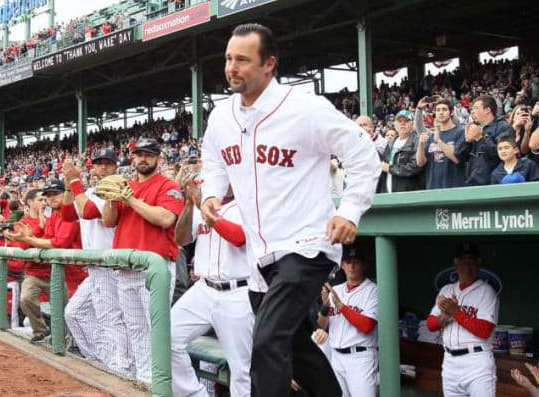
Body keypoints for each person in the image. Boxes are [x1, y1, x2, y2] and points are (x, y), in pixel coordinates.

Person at [200, 23, 380, 397]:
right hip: (259, 255)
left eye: (243, 60)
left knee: (265, 342)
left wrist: (350, 210)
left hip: (306, 245)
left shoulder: (304, 108)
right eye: (229, 59)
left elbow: (362, 152)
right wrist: (212, 194)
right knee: (297, 351)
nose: (232, 67)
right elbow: (213, 158)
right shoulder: (221, 116)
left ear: (269, 65)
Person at [100, 137, 183, 384]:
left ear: (158, 158)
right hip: (127, 269)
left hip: (154, 269)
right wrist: (111, 197)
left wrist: (131, 200)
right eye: (138, 154)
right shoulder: (126, 185)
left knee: (157, 332)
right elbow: (108, 221)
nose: (142, 159)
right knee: (136, 331)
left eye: (148, 154)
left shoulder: (168, 185)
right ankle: (146, 381)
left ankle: (169, 385)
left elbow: (166, 219)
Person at [171, 178, 254, 397]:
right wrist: (189, 205)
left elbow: (238, 238)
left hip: (237, 292)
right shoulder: (204, 205)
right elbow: (181, 238)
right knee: (166, 336)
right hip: (203, 290)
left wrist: (201, 206)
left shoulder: (249, 204)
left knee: (241, 369)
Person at [60, 150, 131, 376]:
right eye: (98, 163)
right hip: (95, 267)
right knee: (74, 313)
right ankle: (104, 361)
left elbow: (89, 212)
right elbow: (68, 214)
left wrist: (74, 181)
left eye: (108, 163)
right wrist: (68, 186)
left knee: (113, 319)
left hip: (112, 265)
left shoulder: (115, 188)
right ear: (91, 168)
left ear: (116, 167)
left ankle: (122, 369)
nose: (103, 167)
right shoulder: (88, 191)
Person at [9, 181, 84, 344]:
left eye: (55, 194)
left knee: (71, 314)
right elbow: (42, 242)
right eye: (46, 196)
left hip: (77, 274)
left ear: (65, 194)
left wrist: (31, 238)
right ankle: (56, 339)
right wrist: (32, 237)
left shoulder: (69, 213)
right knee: (63, 312)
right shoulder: (53, 217)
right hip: (56, 273)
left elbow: (58, 243)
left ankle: (70, 346)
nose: (49, 199)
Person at [426, 243, 499, 397]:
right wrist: (444, 317)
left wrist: (456, 313)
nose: (467, 265)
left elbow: (485, 331)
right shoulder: (446, 290)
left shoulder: (487, 292)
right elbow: (430, 325)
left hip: (477, 362)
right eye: (463, 261)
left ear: (479, 263)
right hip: (450, 362)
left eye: (471, 261)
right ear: (456, 263)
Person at [318, 246, 378, 397]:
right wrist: (325, 307)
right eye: (348, 262)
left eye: (356, 262)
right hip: (336, 357)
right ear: (342, 265)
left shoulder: (373, 290)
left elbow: (367, 326)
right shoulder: (335, 290)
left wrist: (340, 305)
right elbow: (322, 325)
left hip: (360, 357)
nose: (352, 266)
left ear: (363, 265)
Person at [456, 95, 515, 185]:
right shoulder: (473, 128)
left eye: (475, 108)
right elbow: (458, 157)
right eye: (471, 109)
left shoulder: (503, 127)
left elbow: (500, 154)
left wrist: (480, 139)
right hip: (472, 183)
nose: (472, 111)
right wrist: (467, 142)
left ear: (487, 110)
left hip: (495, 183)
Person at [416, 99, 466, 189]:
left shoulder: (461, 132)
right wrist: (420, 144)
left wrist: (439, 141)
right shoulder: (431, 136)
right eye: (438, 110)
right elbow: (420, 163)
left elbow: (457, 159)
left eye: (444, 109)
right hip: (433, 187)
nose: (441, 112)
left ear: (451, 113)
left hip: (455, 187)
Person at [377, 109, 424, 193]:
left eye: (406, 121)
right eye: (399, 121)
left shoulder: (417, 141)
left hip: (408, 194)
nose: (403, 123)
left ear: (412, 124)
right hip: (388, 192)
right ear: (395, 125)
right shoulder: (390, 143)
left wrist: (390, 168)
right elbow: (383, 167)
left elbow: (414, 167)